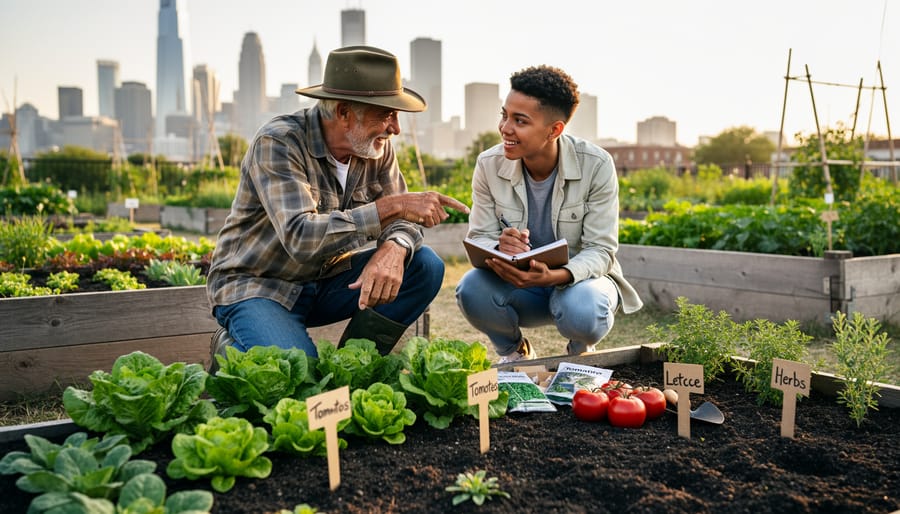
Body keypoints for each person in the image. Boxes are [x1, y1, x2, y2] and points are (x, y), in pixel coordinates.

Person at [206, 46, 469, 366]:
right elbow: (300, 237)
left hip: (322, 283)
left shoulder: (376, 149)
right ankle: (231, 346)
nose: (395, 128)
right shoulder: (279, 142)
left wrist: (396, 247)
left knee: (424, 265)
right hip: (258, 285)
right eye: (387, 113)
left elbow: (405, 220)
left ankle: (351, 367)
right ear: (344, 112)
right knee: (297, 376)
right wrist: (390, 207)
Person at [455, 65, 642, 363]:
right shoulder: (488, 165)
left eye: (520, 121)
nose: (505, 128)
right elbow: (479, 237)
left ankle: (579, 355)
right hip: (523, 288)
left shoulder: (596, 165)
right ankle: (516, 354)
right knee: (471, 288)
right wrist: (499, 247)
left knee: (584, 310)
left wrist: (556, 275)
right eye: (505, 115)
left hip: (577, 287)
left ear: (554, 129)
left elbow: (601, 251)